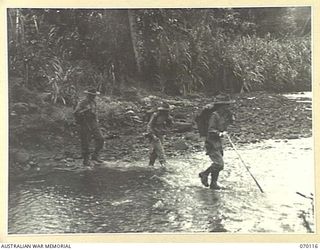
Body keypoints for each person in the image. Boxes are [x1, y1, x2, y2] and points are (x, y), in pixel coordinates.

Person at [198, 95, 235, 189]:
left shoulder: (225, 115)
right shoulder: (214, 115)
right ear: (221, 106)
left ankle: (213, 183)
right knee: (219, 164)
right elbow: (211, 130)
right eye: (226, 105)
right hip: (211, 142)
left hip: (218, 142)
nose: (227, 107)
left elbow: (229, 124)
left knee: (218, 163)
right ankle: (204, 174)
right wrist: (220, 134)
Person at [74, 88, 104, 167]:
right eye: (92, 95)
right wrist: (85, 110)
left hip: (93, 123)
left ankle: (95, 156)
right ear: (88, 95)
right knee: (85, 142)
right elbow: (76, 113)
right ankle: (86, 160)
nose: (93, 97)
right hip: (84, 124)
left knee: (101, 139)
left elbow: (95, 113)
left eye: (94, 95)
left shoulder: (94, 102)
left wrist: (97, 122)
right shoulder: (82, 102)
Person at [147, 102, 173, 168]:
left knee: (155, 150)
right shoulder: (155, 115)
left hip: (161, 134)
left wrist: (165, 130)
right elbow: (149, 126)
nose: (164, 112)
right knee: (159, 149)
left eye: (166, 111)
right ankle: (163, 164)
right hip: (153, 134)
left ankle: (150, 164)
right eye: (163, 111)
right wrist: (153, 135)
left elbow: (170, 125)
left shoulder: (168, 117)